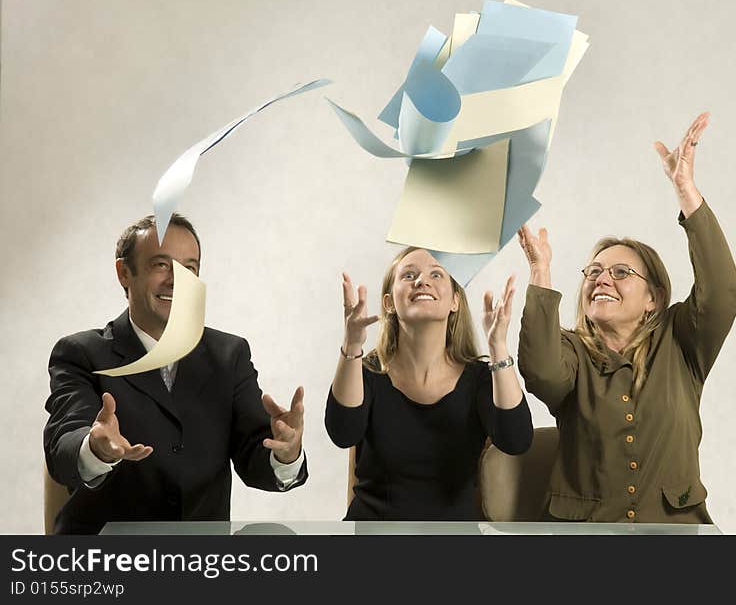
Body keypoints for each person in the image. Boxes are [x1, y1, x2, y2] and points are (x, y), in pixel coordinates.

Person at [516, 112, 736, 524]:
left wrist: (686, 191)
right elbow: (542, 372)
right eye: (594, 272)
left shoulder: (681, 341)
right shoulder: (570, 350)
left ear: (654, 297)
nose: (603, 279)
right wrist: (540, 271)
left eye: (621, 273)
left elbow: (723, 292)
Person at [43, 213, 307, 534]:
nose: (177, 280)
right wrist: (95, 449)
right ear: (124, 273)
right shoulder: (81, 353)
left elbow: (257, 460)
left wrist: (287, 452)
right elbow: (63, 446)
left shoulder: (229, 355)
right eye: (161, 265)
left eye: (189, 268)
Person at [325, 247, 533, 520]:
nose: (422, 281)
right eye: (409, 274)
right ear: (389, 303)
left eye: (437, 274)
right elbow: (342, 433)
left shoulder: (481, 378)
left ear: (455, 302)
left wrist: (498, 347)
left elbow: (516, 440)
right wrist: (352, 343)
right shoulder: (367, 373)